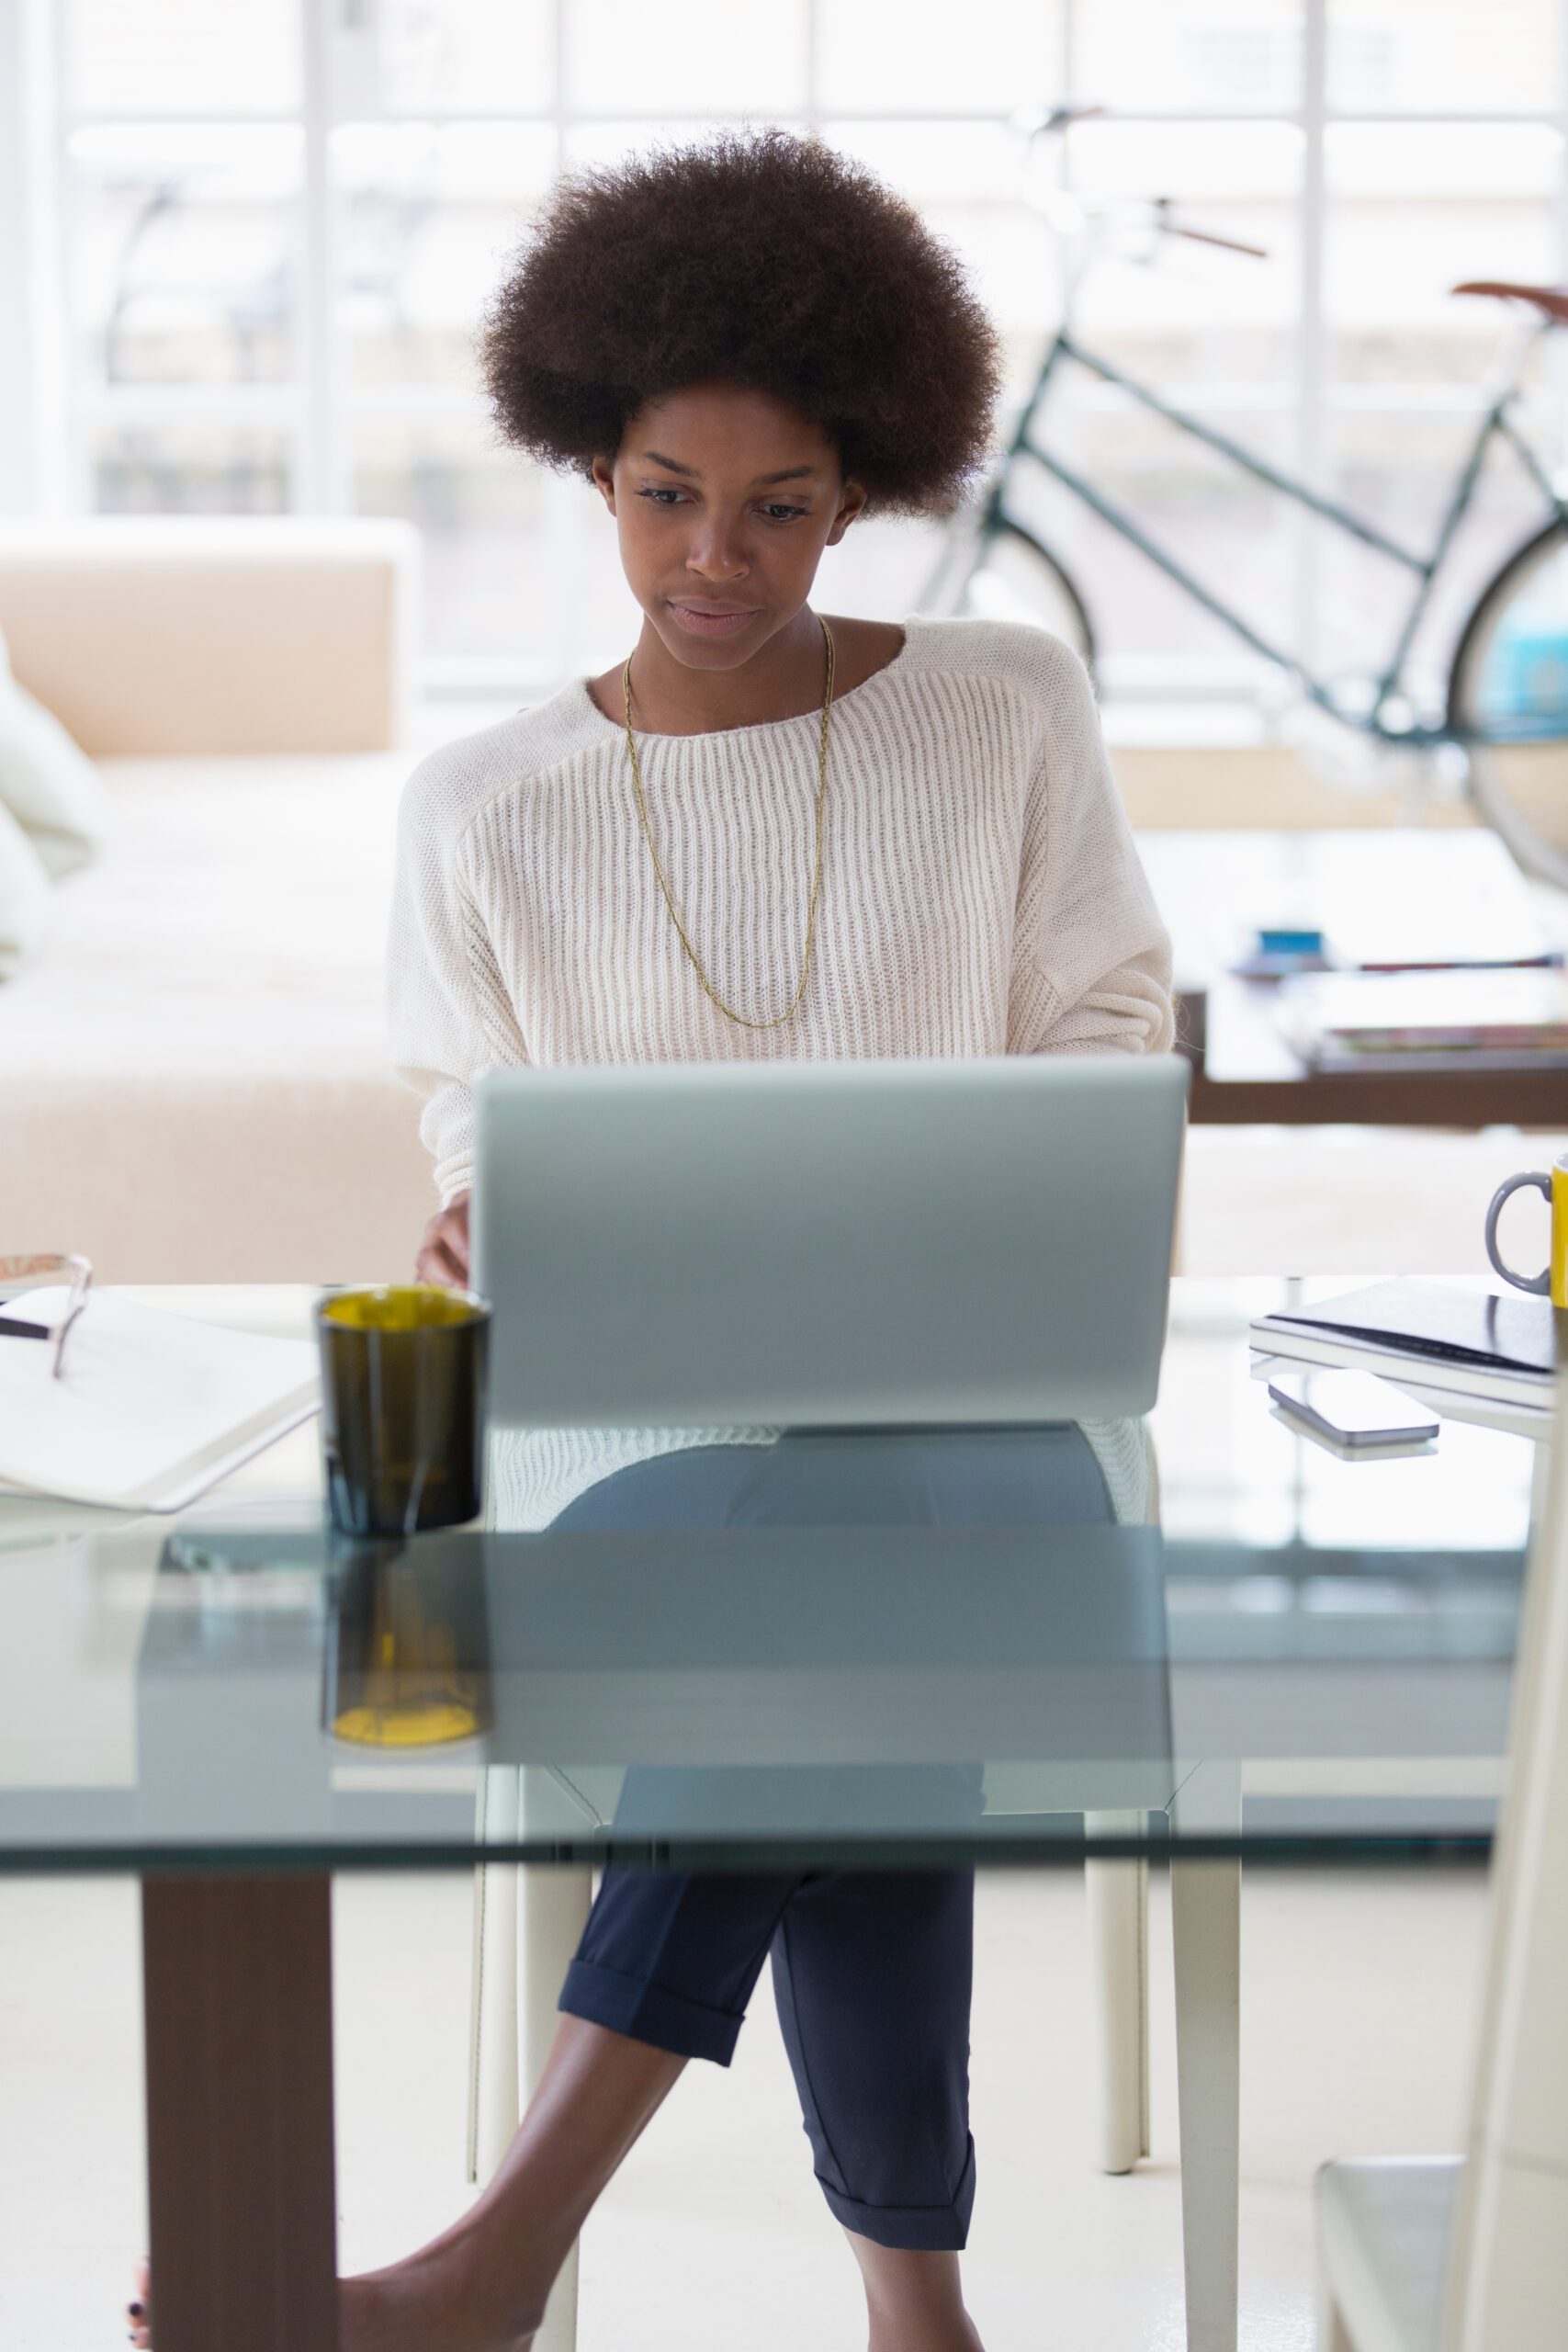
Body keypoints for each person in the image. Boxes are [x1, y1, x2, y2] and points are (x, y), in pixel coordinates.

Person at [130, 127, 1172, 2352]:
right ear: (584, 465)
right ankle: (917, 2307)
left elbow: (1103, 1045)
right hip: (643, 1449)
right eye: (663, 493)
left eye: (781, 501)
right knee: (836, 1562)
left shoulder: (1002, 710)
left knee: (850, 1528)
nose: (719, 556)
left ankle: (495, 2256)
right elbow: (466, 1112)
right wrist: (485, 1200)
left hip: (989, 1421)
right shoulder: (483, 806)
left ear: (865, 481)